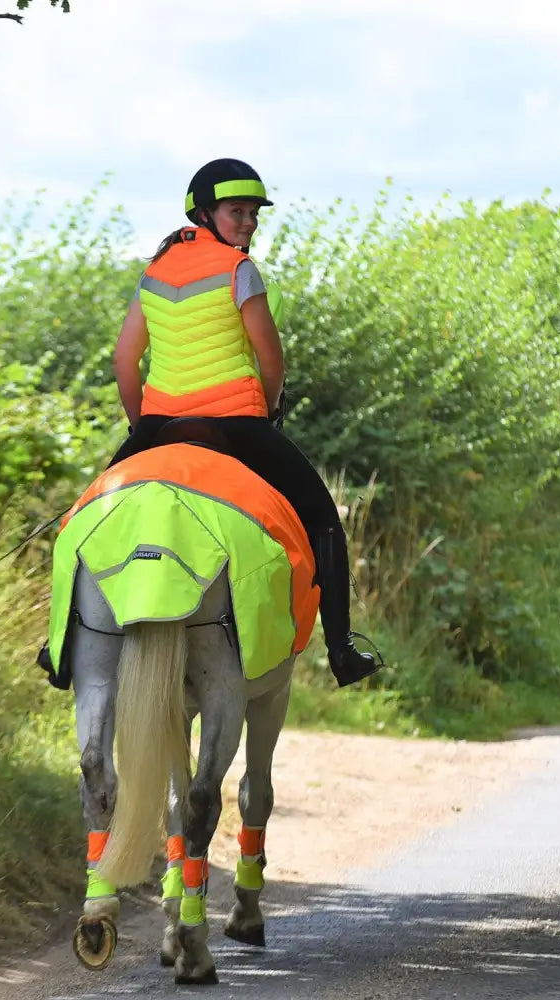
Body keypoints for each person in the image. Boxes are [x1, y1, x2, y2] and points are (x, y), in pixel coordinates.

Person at [108, 158, 381, 687]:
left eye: (254, 214)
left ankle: (59, 648)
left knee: (87, 513)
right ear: (205, 212)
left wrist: (140, 430)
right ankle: (343, 650)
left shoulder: (153, 276)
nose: (249, 224)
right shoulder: (239, 271)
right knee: (324, 518)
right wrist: (271, 407)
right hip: (236, 425)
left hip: (159, 425)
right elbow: (270, 359)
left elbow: (125, 362)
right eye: (237, 212)